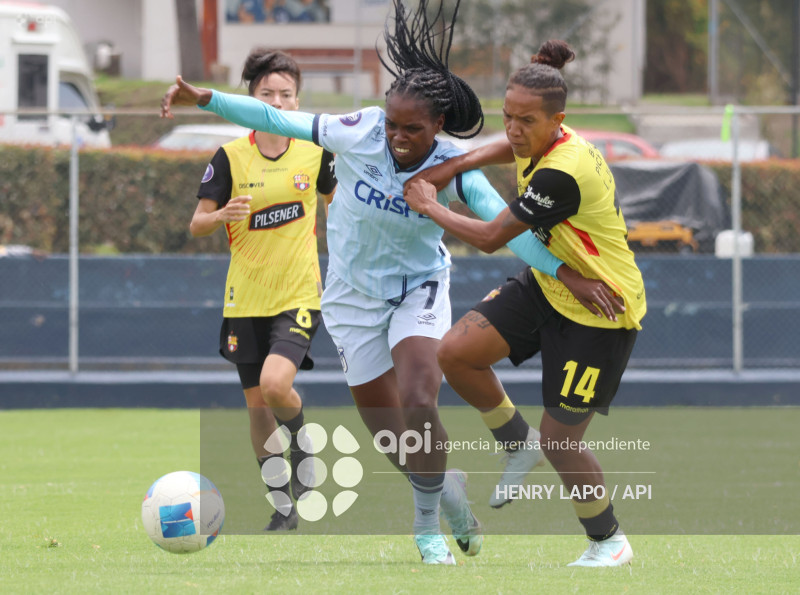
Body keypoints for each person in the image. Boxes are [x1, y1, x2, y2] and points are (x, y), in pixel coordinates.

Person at [163, 2, 616, 565]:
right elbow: (276, 119)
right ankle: (447, 495)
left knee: (420, 397)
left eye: (412, 129)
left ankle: (425, 529)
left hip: (417, 287)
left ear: (438, 128)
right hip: (351, 298)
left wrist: (563, 271)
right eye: (391, 123)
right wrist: (205, 97)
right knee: (395, 439)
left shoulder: (455, 163)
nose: (397, 137)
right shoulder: (356, 131)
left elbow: (510, 231)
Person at [404, 39, 644, 567]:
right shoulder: (540, 137)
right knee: (456, 353)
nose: (513, 130)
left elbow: (491, 236)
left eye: (525, 121)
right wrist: (448, 169)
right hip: (552, 285)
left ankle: (609, 541)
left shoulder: (564, 170)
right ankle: (517, 441)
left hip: (601, 310)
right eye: (507, 116)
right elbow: (500, 149)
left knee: (561, 441)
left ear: (559, 120)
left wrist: (429, 202)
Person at [189, 48, 337, 531]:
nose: (277, 101)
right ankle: (282, 505)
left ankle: (303, 444)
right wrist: (220, 215)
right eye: (266, 93)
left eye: (286, 94)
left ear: (298, 100)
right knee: (257, 405)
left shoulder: (316, 152)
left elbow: (341, 210)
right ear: (250, 99)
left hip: (297, 293)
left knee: (277, 386)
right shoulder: (230, 156)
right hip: (244, 297)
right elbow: (197, 225)